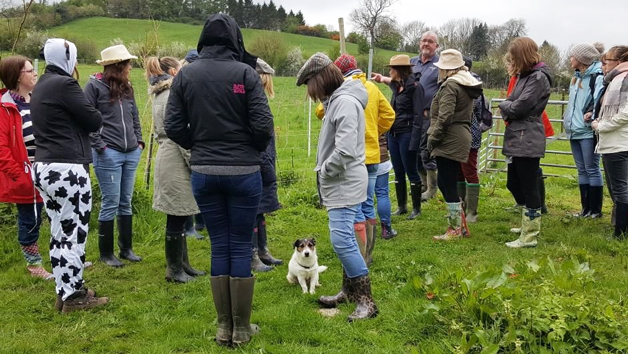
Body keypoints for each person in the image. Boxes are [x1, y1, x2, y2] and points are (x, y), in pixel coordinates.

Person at [165, 14, 274, 346]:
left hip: (204, 173)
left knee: (219, 245)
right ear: (235, 40)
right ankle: (241, 329)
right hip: (243, 173)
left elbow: (172, 125)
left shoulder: (186, 75)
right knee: (240, 245)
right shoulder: (244, 74)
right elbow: (263, 126)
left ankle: (223, 327)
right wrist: (248, 151)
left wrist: (198, 146)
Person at [297, 52, 378, 322]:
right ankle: (348, 290)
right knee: (346, 238)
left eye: (311, 85)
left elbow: (343, 150)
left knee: (342, 241)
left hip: (343, 181)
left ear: (320, 79)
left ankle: (367, 301)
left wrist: (325, 171)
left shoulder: (343, 102)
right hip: (343, 181)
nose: (311, 93)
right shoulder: (338, 100)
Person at [31, 38, 108, 311]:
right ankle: (75, 297)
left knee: (58, 232)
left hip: (45, 167)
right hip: (67, 169)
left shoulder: (42, 84)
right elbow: (94, 119)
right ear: (67, 58)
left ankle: (64, 290)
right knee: (73, 233)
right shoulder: (65, 84)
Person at [316, 54, 395, 263]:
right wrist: (375, 131)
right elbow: (389, 115)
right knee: (369, 203)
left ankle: (359, 255)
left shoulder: (341, 93)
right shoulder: (371, 88)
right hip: (373, 154)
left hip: (353, 158)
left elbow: (319, 111)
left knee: (356, 208)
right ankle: (368, 252)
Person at [145, 56, 205, 282]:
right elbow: (180, 132)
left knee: (180, 212)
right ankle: (174, 269)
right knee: (176, 216)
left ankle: (183, 264)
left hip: (168, 155)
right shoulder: (172, 95)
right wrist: (194, 160)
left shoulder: (161, 94)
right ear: (172, 72)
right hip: (175, 158)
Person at [85, 44, 144, 267]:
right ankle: (106, 253)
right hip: (109, 153)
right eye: (128, 63)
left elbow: (134, 116)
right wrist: (101, 147)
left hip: (131, 152)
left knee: (125, 201)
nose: (131, 67)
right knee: (111, 201)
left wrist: (139, 142)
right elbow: (86, 120)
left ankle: (126, 248)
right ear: (118, 66)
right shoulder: (93, 87)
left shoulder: (127, 87)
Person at [0, 55, 53, 280]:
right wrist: (20, 175)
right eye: (29, 71)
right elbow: (2, 148)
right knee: (30, 220)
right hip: (27, 174)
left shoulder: (37, 99)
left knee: (56, 215)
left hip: (49, 170)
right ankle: (34, 266)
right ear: (16, 77)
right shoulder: (5, 107)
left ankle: (62, 257)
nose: (34, 74)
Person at [499, 37, 552, 248]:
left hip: (527, 137)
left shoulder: (538, 78)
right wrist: (509, 104)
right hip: (517, 135)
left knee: (529, 186)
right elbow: (513, 101)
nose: (511, 61)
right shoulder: (525, 76)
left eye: (514, 57)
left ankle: (530, 235)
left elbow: (518, 106)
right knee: (513, 182)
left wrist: (505, 105)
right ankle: (527, 222)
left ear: (521, 56)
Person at [429, 50, 482, 240]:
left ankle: (455, 230)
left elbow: (445, 117)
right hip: (458, 135)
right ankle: (462, 226)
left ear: (446, 69)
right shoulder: (463, 82)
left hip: (450, 137)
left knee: (447, 182)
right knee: (445, 181)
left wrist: (432, 139)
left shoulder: (451, 85)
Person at [372, 54, 425, 221]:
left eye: (392, 69)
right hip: (394, 134)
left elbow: (419, 116)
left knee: (411, 171)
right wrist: (381, 79)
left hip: (408, 134)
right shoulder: (397, 86)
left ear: (400, 70)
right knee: (398, 171)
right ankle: (402, 206)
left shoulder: (415, 88)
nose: (390, 71)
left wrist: (415, 141)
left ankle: (416, 208)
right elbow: (390, 82)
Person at [503, 53, 554, 216]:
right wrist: (508, 110)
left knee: (529, 174)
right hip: (516, 128)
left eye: (510, 63)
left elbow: (518, 106)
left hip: (528, 130)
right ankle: (529, 209)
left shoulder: (534, 78)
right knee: (518, 177)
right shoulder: (519, 78)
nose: (508, 67)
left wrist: (508, 109)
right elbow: (510, 103)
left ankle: (535, 209)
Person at [564, 43, 605, 218]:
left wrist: (591, 114)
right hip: (575, 129)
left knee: (592, 168)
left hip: (588, 130)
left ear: (581, 59)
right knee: (582, 169)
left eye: (573, 56)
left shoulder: (597, 77)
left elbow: (599, 100)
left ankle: (595, 210)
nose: (570, 59)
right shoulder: (576, 78)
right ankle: (585, 209)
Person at [592, 45, 628, 238]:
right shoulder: (616, 80)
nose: (605, 65)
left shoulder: (623, 79)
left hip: (619, 141)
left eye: (608, 61)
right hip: (614, 140)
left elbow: (625, 113)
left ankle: (620, 232)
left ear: (619, 62)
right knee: (619, 186)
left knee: (620, 187)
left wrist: (602, 126)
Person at [251, 57, 283, 272]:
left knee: (260, 210)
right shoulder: (254, 101)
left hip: (265, 161)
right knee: (252, 210)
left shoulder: (260, 98)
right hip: (259, 162)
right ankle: (252, 254)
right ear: (264, 78)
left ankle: (263, 250)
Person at [456, 57, 484, 223]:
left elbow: (470, 108)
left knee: (469, 170)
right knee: (459, 170)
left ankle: (472, 212)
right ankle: (461, 207)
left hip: (470, 132)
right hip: (458, 133)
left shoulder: (473, 84)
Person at [375, 134, 397, 239]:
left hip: (360, 156)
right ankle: (386, 229)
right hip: (380, 154)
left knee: (364, 197)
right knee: (382, 193)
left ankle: (365, 231)